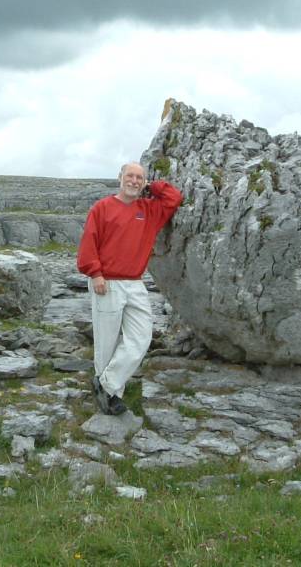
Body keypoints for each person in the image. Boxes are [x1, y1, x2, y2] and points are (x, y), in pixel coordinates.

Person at [77, 161, 182, 415]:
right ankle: (112, 396)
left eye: (139, 178)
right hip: (107, 282)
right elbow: (89, 242)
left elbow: (174, 198)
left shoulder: (149, 210)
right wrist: (96, 274)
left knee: (141, 337)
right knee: (107, 342)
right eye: (130, 176)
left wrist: (152, 186)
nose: (134, 181)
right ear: (120, 177)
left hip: (135, 283)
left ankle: (105, 384)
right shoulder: (102, 208)